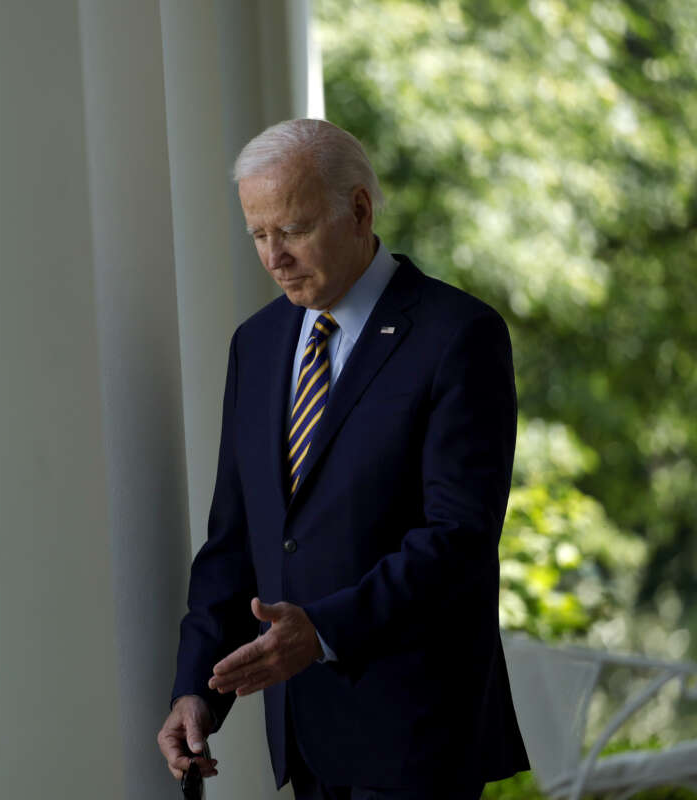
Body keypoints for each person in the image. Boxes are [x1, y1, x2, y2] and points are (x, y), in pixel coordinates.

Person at [156, 119, 530, 799]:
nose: (274, 257)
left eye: (293, 230)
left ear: (358, 210)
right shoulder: (258, 343)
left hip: (417, 738)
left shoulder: (458, 336)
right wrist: (196, 692)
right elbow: (238, 540)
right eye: (259, 235)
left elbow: (458, 538)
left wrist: (323, 629)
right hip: (304, 738)